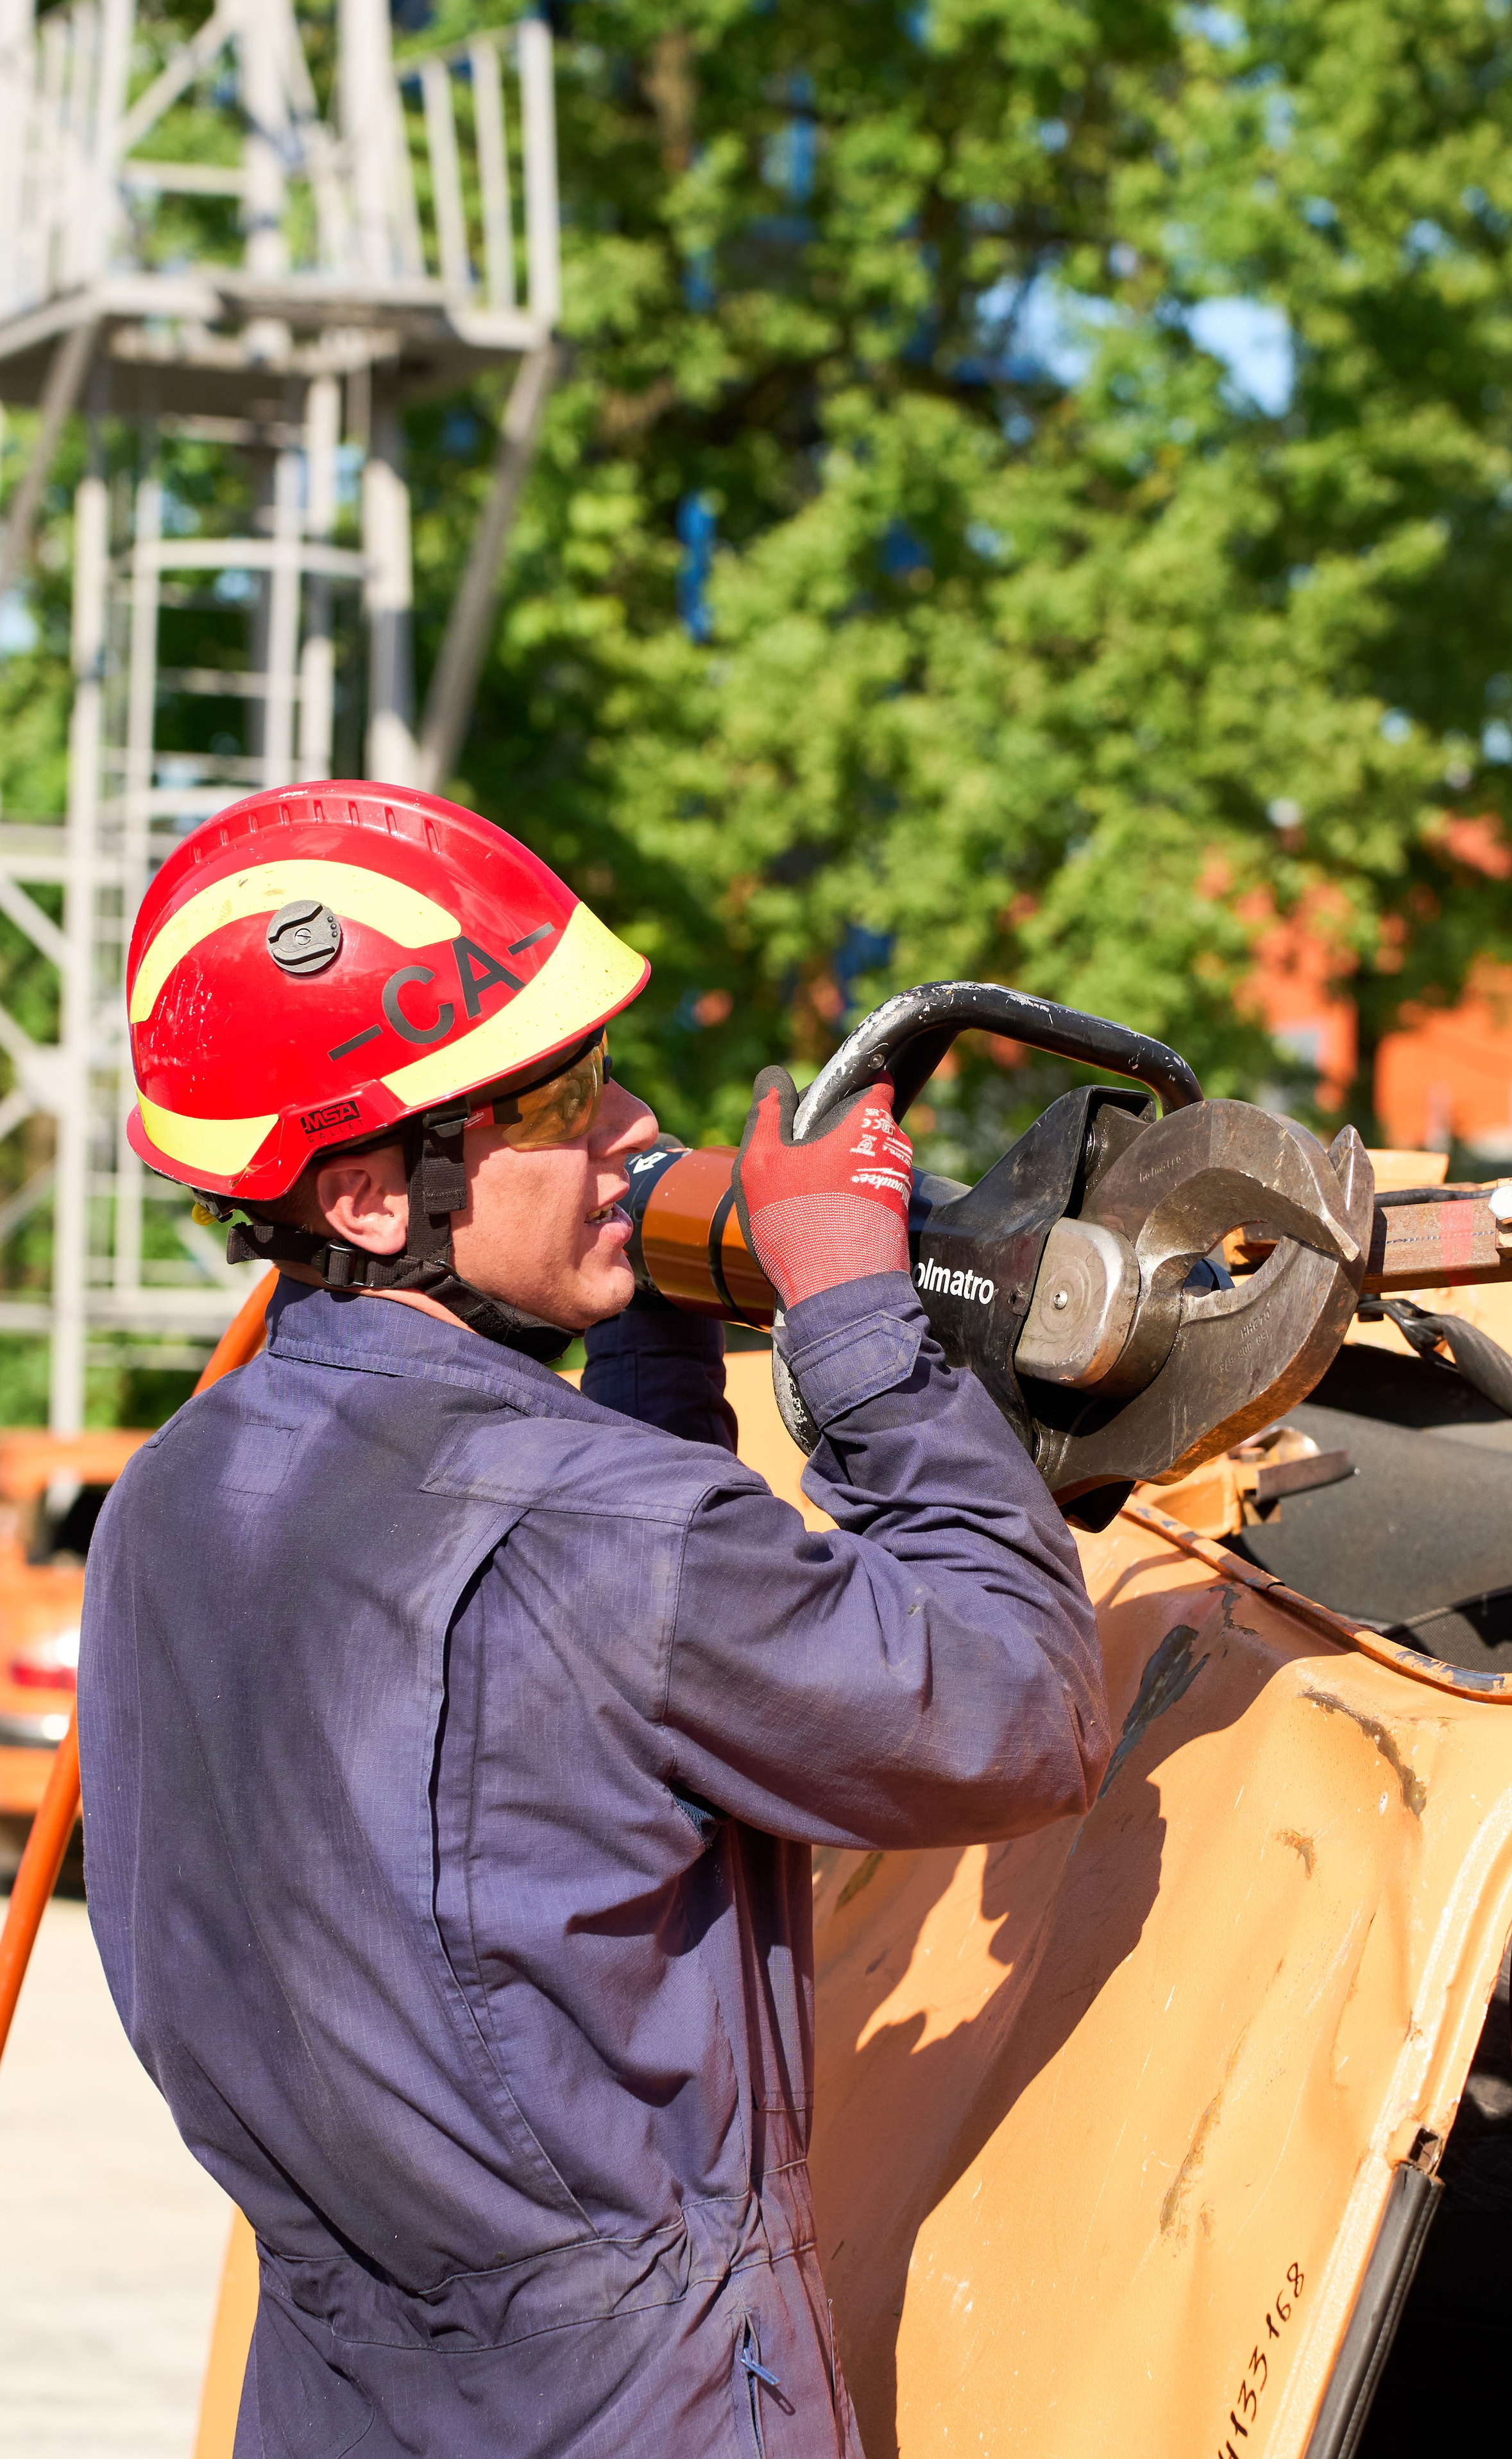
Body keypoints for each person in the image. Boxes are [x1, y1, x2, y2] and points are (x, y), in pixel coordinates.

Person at [79, 782, 1110, 2458]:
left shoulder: (175, 1503)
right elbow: (1022, 1707)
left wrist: (655, 1326)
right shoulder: (611, 1538)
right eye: (556, 1099)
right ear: (360, 1198)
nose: (630, 1125)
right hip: (653, 2412)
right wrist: (853, 1324)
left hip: (343, 2395)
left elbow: (562, 1704)